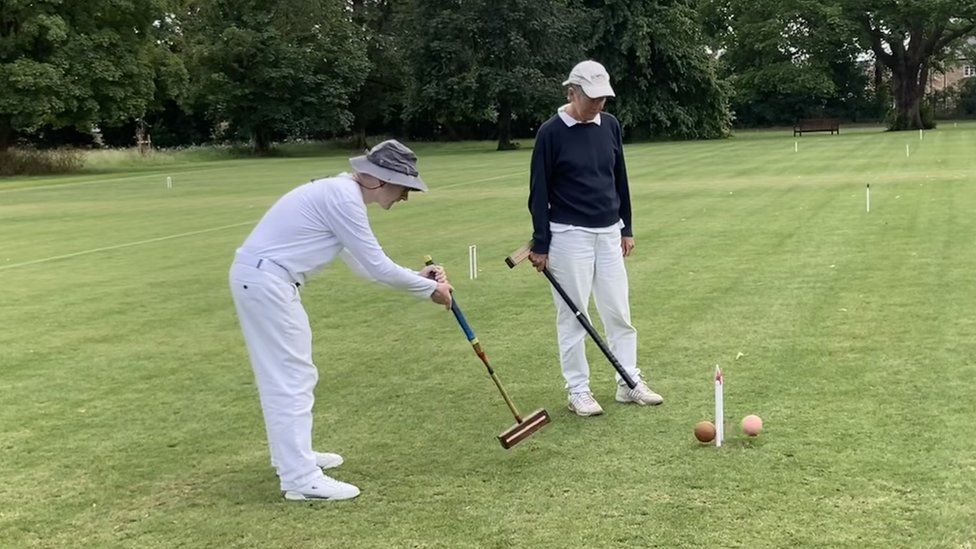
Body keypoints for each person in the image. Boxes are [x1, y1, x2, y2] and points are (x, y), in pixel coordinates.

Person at [229, 140, 453, 501]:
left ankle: (292, 457)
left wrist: (418, 277)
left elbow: (365, 266)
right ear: (379, 179)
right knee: (291, 377)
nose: (404, 197)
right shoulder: (342, 198)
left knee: (292, 375)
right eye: (403, 188)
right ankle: (300, 477)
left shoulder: (340, 195)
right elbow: (379, 267)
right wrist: (430, 291)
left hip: (265, 280)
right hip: (267, 281)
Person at [527, 60, 663, 417]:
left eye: (603, 98)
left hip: (608, 230)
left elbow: (620, 178)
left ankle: (629, 382)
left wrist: (626, 227)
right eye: (592, 98)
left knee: (619, 310)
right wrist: (541, 243)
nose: (599, 105)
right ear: (572, 93)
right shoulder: (551, 132)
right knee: (574, 314)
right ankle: (578, 390)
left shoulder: (610, 126)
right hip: (568, 233)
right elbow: (538, 191)